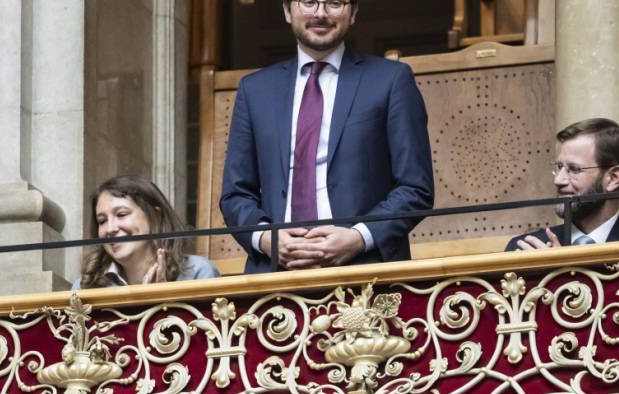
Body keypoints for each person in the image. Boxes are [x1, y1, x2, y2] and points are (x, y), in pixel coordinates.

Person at [220, 0, 434, 274]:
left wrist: (359, 237)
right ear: (287, 11)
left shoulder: (391, 80)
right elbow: (235, 194)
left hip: (364, 269)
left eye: (334, 2)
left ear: (353, 13)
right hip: (275, 275)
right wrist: (266, 238)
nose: (320, 13)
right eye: (309, 2)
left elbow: (415, 187)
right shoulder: (255, 90)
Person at [505, 118, 619, 251]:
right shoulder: (524, 249)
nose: (558, 180)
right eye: (559, 167)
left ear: (613, 178)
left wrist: (560, 269)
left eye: (574, 169)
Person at [75, 175, 219, 289]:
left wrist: (162, 301)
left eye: (121, 214)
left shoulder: (198, 274)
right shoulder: (84, 286)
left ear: (155, 217)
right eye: (102, 221)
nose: (110, 229)